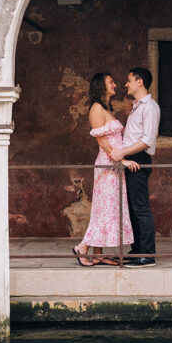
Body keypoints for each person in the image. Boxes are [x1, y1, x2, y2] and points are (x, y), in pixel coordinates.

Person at [73, 72, 135, 267]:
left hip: (113, 165)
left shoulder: (105, 108)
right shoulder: (96, 108)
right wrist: (121, 160)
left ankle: (98, 254)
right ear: (102, 86)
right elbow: (102, 141)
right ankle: (82, 247)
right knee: (104, 210)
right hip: (108, 164)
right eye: (111, 82)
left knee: (107, 209)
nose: (115, 85)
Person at [109, 67, 160, 267]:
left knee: (140, 208)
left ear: (140, 82)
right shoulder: (137, 106)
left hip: (139, 158)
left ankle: (147, 254)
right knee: (131, 207)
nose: (125, 84)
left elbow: (147, 140)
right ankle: (137, 250)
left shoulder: (150, 107)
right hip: (131, 158)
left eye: (129, 80)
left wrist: (122, 153)